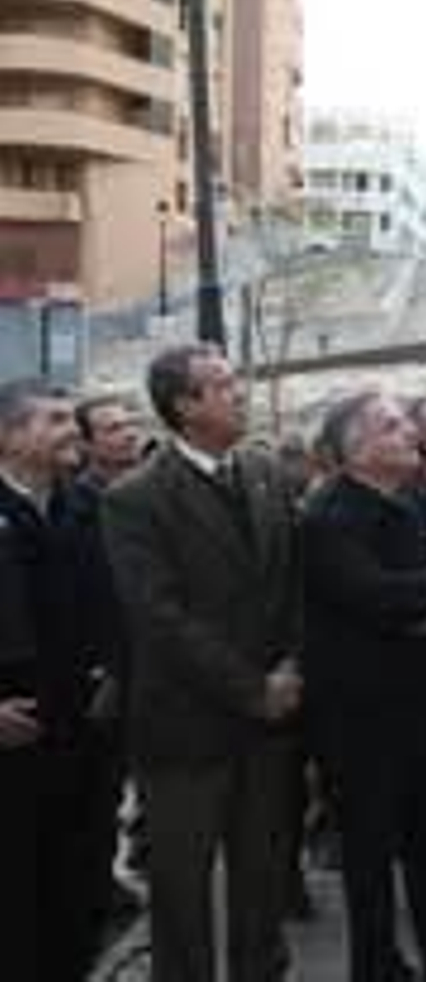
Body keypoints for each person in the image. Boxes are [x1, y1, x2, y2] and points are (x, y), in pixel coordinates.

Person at [101, 346, 305, 982]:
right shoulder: (137, 498)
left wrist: (293, 667)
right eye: (221, 386)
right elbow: (160, 618)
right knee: (183, 894)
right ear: (184, 407)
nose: (239, 392)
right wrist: (252, 688)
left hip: (272, 723)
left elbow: (294, 582)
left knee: (262, 878)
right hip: (186, 730)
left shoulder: (266, 471)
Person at [301, 392, 426, 982]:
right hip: (363, 724)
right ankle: (377, 968)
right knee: (370, 862)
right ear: (357, 449)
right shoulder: (328, 516)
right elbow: (374, 596)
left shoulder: (425, 498)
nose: (410, 433)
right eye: (393, 425)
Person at [0, 380, 111, 982]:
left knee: (79, 887)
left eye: (73, 417)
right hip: (10, 742)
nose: (74, 429)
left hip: (83, 736)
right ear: (9, 436)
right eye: (55, 419)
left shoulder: (86, 507)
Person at [67, 394, 147, 927]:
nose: (127, 434)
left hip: (150, 662)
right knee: (97, 789)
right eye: (112, 428)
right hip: (106, 667)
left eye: (129, 424)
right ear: (88, 443)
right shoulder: (79, 504)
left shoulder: (147, 492)